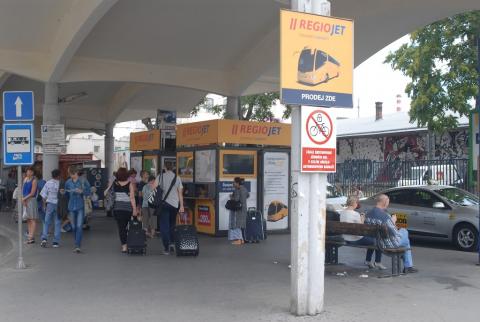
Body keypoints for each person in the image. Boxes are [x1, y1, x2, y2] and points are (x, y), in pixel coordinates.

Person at [365, 194, 418, 273]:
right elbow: (395, 233)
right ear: (385, 203)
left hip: (375, 242)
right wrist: (393, 221)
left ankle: (407, 263)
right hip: (386, 244)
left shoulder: (368, 214)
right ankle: (408, 266)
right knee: (405, 233)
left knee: (405, 240)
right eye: (388, 202)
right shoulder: (385, 217)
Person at [339, 195, 385, 270]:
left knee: (372, 240)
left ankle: (368, 261)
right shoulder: (355, 214)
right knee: (377, 240)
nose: (357, 204)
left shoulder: (342, 213)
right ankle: (377, 262)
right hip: (354, 239)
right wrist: (362, 218)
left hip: (345, 238)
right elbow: (361, 228)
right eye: (357, 203)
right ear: (354, 203)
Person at [155, 161, 184, 255]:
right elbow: (180, 193)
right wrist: (182, 206)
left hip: (164, 204)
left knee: (164, 226)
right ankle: (172, 243)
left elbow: (153, 188)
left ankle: (166, 247)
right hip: (175, 205)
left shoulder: (160, 176)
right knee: (172, 225)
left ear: (164, 167)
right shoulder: (177, 177)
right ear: (172, 167)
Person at [65, 167, 91, 253]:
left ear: (76, 173)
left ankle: (77, 245)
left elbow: (89, 192)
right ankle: (77, 243)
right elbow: (66, 193)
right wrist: (63, 192)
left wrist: (82, 192)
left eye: (73, 174)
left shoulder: (83, 181)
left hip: (80, 205)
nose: (72, 176)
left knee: (79, 226)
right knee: (73, 227)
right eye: (71, 174)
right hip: (71, 205)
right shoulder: (68, 182)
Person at [112, 167, 137, 253]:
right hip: (128, 209)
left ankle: (124, 246)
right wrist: (134, 209)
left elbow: (108, 194)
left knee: (121, 228)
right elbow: (132, 198)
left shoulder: (114, 183)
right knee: (127, 226)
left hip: (118, 209)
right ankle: (128, 241)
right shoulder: (130, 184)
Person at [40, 169, 61, 248]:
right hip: (58, 205)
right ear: (58, 175)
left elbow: (43, 195)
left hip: (49, 204)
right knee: (57, 223)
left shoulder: (48, 183)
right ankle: (55, 242)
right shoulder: (61, 184)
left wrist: (44, 205)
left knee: (46, 222)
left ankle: (44, 238)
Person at [228, 177, 249, 245]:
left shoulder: (237, 190)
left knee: (236, 224)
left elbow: (236, 199)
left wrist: (231, 197)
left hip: (237, 210)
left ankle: (239, 240)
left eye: (234, 182)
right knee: (240, 224)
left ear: (237, 183)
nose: (233, 183)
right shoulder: (244, 189)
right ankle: (242, 240)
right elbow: (248, 195)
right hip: (243, 208)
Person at [22, 167, 38, 244]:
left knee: (32, 219)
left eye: (29, 171)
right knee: (28, 219)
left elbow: (32, 193)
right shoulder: (25, 179)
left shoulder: (34, 180)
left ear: (32, 172)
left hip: (31, 201)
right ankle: (30, 236)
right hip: (25, 200)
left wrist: (24, 198)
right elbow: (23, 190)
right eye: (27, 171)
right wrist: (23, 199)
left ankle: (31, 237)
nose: (27, 173)